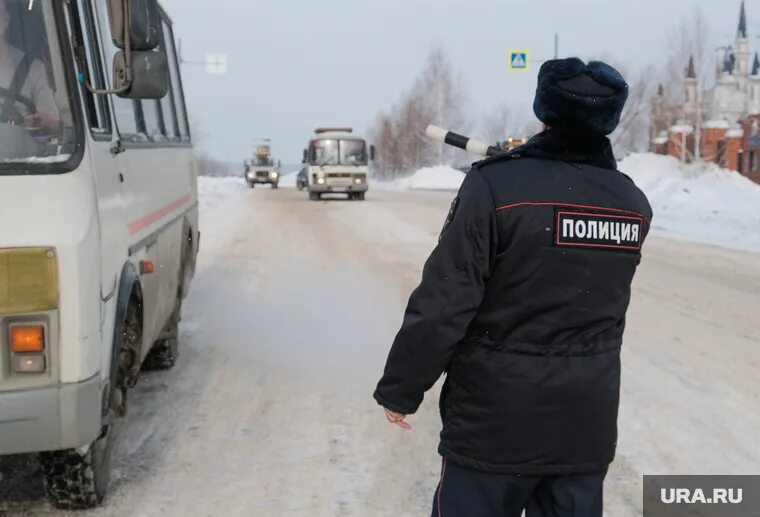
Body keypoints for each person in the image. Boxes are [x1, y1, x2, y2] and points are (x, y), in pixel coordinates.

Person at [374, 58, 653, 517]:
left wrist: (402, 388)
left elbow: (445, 300)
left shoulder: (495, 186)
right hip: (584, 425)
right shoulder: (630, 202)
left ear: (544, 112)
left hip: (494, 425)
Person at [0, 0, 60, 132]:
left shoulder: (34, 69)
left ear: (5, 20)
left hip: (20, 150)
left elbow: (59, 126)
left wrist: (43, 120)